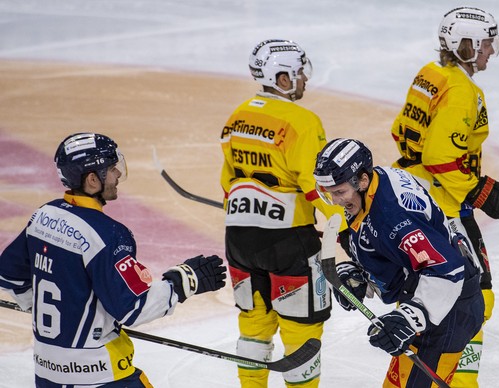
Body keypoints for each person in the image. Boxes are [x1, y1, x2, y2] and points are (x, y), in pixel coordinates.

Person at [0, 132, 227, 387]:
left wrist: (53, 308)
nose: (118, 174)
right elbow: (133, 308)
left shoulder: (43, 216)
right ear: (93, 180)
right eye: (111, 169)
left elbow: (8, 276)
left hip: (46, 373)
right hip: (99, 376)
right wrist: (183, 281)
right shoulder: (109, 235)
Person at [389, 6, 499, 386]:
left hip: (410, 197)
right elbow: (440, 156)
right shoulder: (463, 91)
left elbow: (402, 131)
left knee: (422, 291)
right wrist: (479, 190)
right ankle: (459, 382)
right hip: (443, 208)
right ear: (466, 45)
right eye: (484, 45)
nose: (490, 53)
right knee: (476, 297)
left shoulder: (431, 74)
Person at [220, 39, 348, 387]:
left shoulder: (238, 116)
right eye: (299, 73)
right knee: (301, 328)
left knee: (254, 323)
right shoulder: (303, 121)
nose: (304, 79)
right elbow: (314, 184)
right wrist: (345, 220)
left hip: (240, 240)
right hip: (289, 241)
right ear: (283, 77)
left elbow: (227, 182)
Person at [313, 138, 485, 387]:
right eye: (328, 193)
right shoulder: (376, 181)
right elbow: (397, 251)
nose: (336, 201)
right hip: (429, 296)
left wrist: (410, 318)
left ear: (361, 180)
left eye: (340, 192)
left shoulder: (394, 218)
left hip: (447, 310)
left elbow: (447, 270)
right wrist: (362, 274)